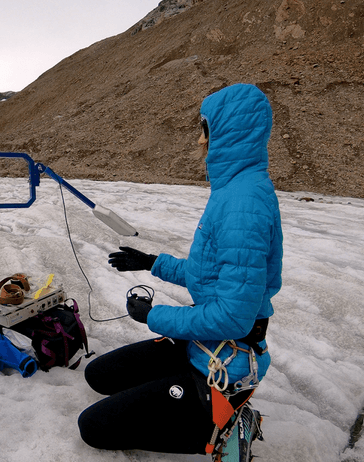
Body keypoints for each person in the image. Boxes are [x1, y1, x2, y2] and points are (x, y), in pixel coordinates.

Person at [77, 83, 283, 454]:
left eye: (203, 128)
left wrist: (155, 316)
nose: (198, 141)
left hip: (224, 362)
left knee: (93, 428)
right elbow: (211, 274)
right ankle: (178, 393)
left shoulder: (243, 204)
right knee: (99, 375)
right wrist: (152, 263)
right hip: (202, 342)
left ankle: (229, 427)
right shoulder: (232, 191)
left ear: (225, 130)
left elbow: (233, 316)